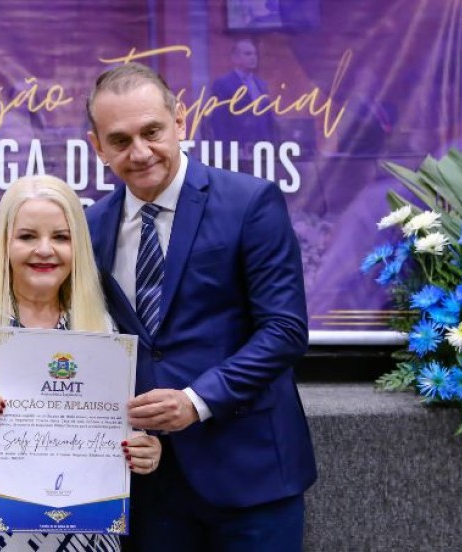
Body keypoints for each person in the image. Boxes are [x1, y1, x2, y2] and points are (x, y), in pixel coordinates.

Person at [84, 63, 316, 551]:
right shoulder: (91, 226)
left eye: (152, 132)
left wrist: (196, 401)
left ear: (180, 122)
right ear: (98, 147)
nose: (140, 152)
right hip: (147, 485)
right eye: (120, 140)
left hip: (251, 475)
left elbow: (284, 330)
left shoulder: (250, 202)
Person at [0, 174, 162, 551]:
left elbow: (125, 423)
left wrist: (144, 448)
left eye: (61, 237)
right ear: (4, 243)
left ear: (78, 246)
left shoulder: (104, 328)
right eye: (27, 236)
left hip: (85, 537)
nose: (45, 250)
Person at [208, 38, 280, 162]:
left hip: (262, 150)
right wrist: (227, 151)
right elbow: (219, 121)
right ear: (235, 58)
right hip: (239, 150)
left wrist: (274, 145)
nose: (253, 57)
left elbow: (268, 119)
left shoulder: (261, 84)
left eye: (255, 54)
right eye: (248, 54)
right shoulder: (224, 84)